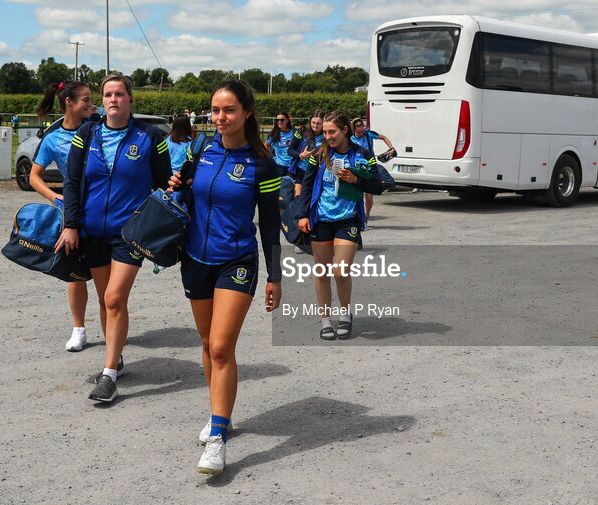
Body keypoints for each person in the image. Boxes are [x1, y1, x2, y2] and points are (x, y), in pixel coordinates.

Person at [168, 79, 282, 476]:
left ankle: (217, 438)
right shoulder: (200, 151)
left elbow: (269, 224)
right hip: (195, 259)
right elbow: (181, 192)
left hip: (237, 261)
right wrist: (176, 185)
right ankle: (221, 413)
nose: (220, 118)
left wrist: (275, 274)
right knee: (205, 342)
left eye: (228, 110)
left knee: (220, 346)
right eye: (215, 110)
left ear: (247, 112)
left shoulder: (263, 164)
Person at [56, 74, 172, 403]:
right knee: (105, 298)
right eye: (108, 94)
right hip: (91, 231)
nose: (113, 99)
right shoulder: (86, 133)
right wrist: (71, 224)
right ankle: (115, 356)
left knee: (115, 299)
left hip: (128, 234)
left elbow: (163, 184)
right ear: (102, 100)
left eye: (120, 94)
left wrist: (157, 225)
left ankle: (108, 376)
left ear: (130, 100)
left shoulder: (149, 137)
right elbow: (71, 182)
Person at [292, 111, 382, 340]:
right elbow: (307, 184)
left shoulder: (362, 153)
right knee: (321, 271)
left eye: (332, 131)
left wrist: (357, 180)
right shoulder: (319, 154)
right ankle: (325, 320)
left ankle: (345, 314)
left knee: (341, 270)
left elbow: (379, 185)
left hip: (347, 219)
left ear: (345, 130)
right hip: (320, 220)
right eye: (324, 132)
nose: (328, 136)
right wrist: (303, 215)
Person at [32, 81, 99, 352]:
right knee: (75, 274)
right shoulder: (52, 138)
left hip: (101, 208)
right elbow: (33, 176)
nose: (90, 104)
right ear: (69, 102)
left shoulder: (98, 128)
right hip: (71, 213)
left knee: (106, 276)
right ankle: (79, 329)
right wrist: (53, 196)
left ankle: (113, 329)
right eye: (85, 99)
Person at [350, 118, 395, 219]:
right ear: (354, 129)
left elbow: (384, 137)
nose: (361, 133)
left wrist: (391, 148)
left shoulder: (368, 134)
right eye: (359, 131)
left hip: (370, 167)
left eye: (362, 130)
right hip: (356, 168)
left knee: (369, 196)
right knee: (355, 194)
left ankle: (366, 215)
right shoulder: (350, 137)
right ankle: (356, 215)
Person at [289, 110, 325, 199]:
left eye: (318, 123)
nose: (315, 126)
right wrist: (301, 155)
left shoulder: (326, 135)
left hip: (316, 173)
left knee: (311, 201)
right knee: (298, 201)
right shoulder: (302, 131)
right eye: (313, 122)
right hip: (300, 171)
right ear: (310, 121)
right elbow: (290, 150)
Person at [266, 111, 297, 178]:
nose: (279, 122)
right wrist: (270, 157)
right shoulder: (274, 134)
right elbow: (266, 145)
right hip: (279, 166)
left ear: (287, 120)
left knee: (290, 186)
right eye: (277, 120)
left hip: (292, 166)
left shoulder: (294, 132)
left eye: (282, 120)